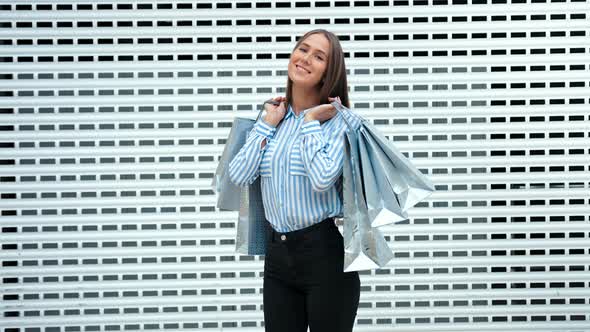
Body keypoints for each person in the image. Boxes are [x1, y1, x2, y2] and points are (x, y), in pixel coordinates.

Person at [228, 29, 361, 332]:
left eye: (319, 56)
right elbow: (238, 175)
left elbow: (322, 179)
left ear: (330, 71)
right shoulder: (273, 117)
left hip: (324, 259)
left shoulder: (339, 123)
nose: (305, 59)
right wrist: (266, 125)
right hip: (277, 261)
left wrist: (311, 122)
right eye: (303, 49)